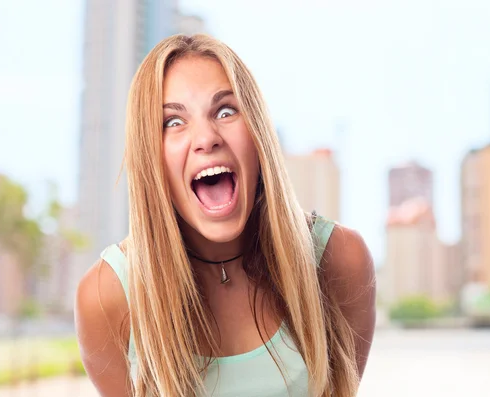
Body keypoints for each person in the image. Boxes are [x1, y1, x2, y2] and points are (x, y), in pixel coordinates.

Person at [75, 33, 376, 397]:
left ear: (258, 134)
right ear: (149, 156)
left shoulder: (339, 260)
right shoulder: (106, 296)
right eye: (172, 122)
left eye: (226, 111)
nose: (207, 138)